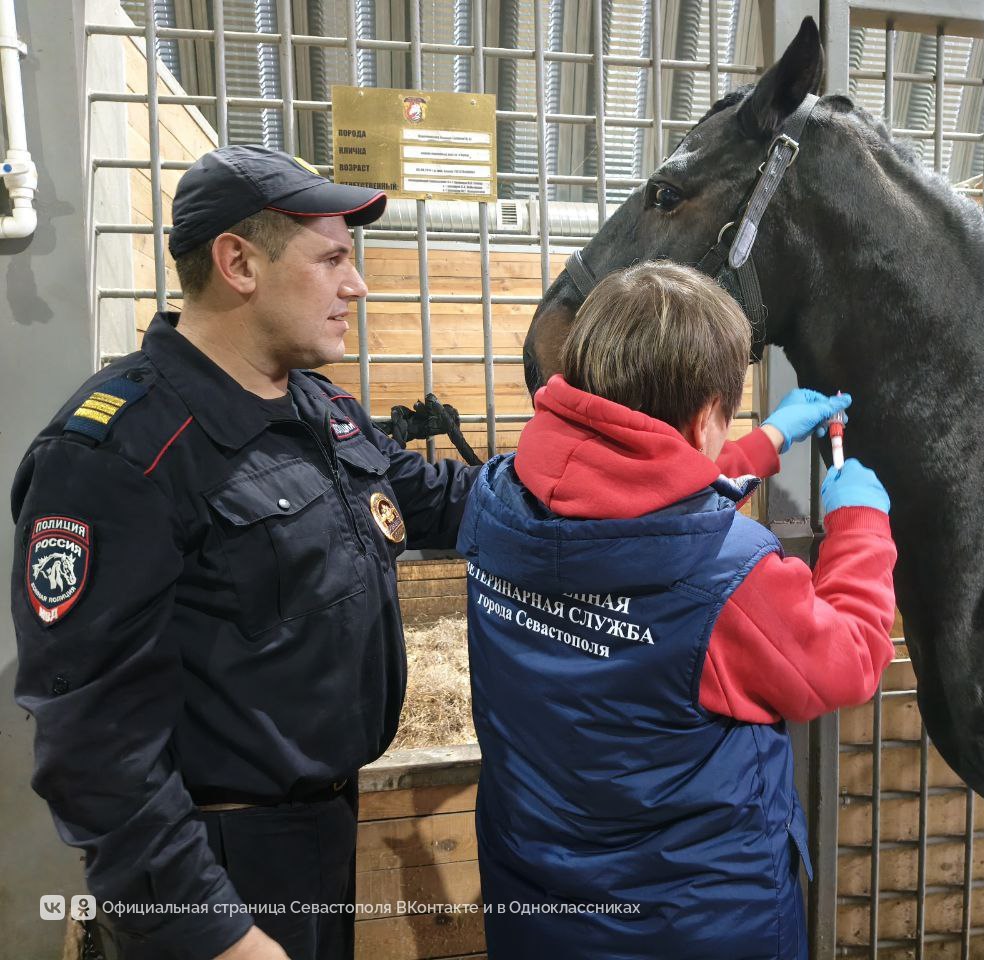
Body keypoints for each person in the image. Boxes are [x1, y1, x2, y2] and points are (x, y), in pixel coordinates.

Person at [9, 146, 477, 960]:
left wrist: (592, 468)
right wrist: (217, 935)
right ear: (238, 263)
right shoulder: (116, 453)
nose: (356, 286)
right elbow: (97, 747)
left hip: (324, 833)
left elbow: (433, 498)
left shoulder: (317, 406)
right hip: (215, 870)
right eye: (333, 257)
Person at [460, 261, 899, 959]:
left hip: (537, 905)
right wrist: (862, 527)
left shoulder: (496, 503)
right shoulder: (734, 574)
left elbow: (629, 500)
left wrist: (764, 443)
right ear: (705, 420)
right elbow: (846, 662)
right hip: (697, 924)